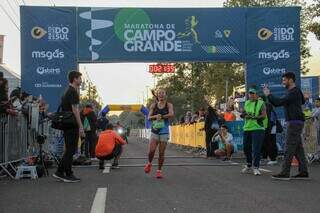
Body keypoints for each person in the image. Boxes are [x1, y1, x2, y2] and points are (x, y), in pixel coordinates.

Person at [263, 72, 309, 180]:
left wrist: (268, 94)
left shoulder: (293, 92)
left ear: (291, 80)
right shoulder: (294, 91)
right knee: (298, 148)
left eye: (284, 80)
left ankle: (285, 172)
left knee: (288, 147)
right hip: (295, 122)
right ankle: (303, 171)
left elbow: (278, 102)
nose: (283, 82)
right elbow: (302, 101)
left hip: (294, 123)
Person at [53, 71, 85, 183]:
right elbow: (75, 110)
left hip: (67, 124)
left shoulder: (67, 90)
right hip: (71, 124)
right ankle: (66, 173)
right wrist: (81, 126)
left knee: (69, 150)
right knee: (71, 150)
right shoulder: (73, 92)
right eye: (80, 78)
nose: (81, 80)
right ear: (75, 79)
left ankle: (61, 172)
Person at [144, 88, 174, 179]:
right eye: (159, 93)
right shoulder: (153, 105)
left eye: (163, 93)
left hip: (164, 131)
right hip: (155, 131)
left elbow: (171, 114)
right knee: (151, 151)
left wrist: (162, 116)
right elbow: (149, 117)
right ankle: (149, 163)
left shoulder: (169, 105)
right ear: (157, 95)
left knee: (161, 153)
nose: (161, 94)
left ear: (165, 95)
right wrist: (155, 116)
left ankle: (159, 171)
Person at [241, 86, 267, 176]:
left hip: (258, 128)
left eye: (253, 94)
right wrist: (243, 115)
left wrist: (253, 117)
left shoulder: (261, 103)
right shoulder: (247, 103)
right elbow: (244, 113)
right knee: (245, 147)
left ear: (256, 95)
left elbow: (263, 115)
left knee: (256, 148)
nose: (251, 95)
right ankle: (249, 164)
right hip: (247, 128)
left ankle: (256, 167)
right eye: (250, 93)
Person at [261, 96, 279, 166]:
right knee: (265, 142)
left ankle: (273, 158)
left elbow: (271, 118)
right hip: (266, 126)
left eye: (260, 99)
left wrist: (269, 127)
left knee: (271, 142)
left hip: (271, 126)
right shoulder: (261, 106)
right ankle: (265, 157)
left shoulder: (267, 105)